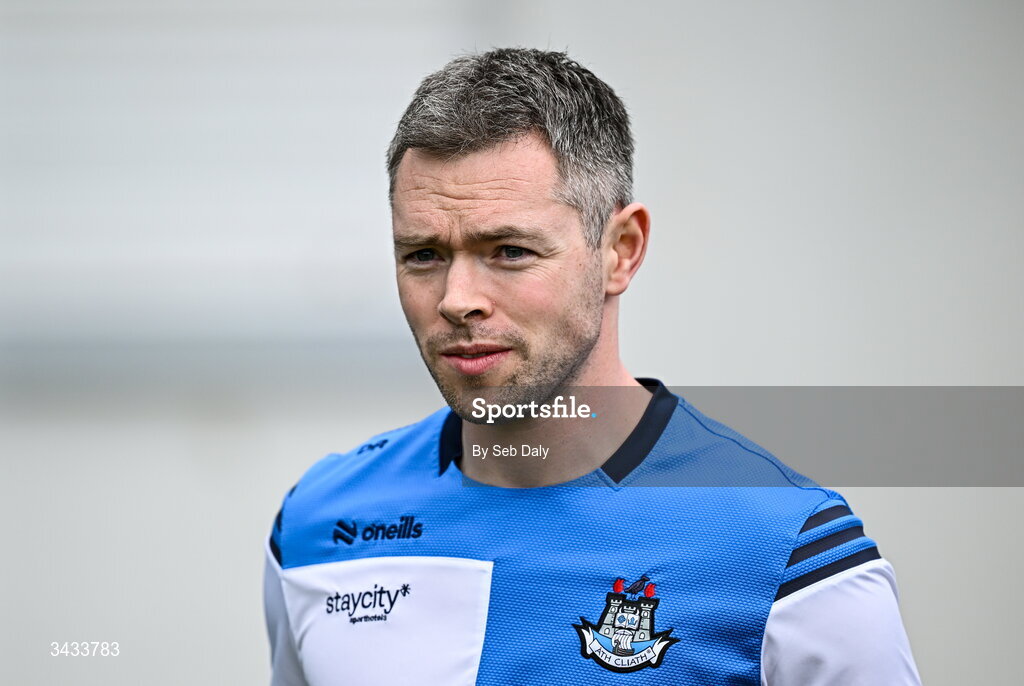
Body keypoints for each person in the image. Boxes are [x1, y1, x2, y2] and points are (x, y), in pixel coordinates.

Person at [264, 48, 921, 685]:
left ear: (621, 251)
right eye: (423, 255)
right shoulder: (319, 525)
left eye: (510, 251)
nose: (457, 299)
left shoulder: (788, 553)